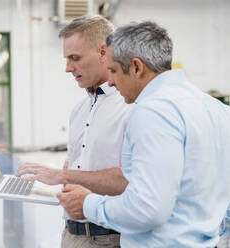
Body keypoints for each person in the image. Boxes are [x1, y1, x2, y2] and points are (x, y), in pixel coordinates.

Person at [57, 21, 230, 247]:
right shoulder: (217, 109)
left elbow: (148, 208)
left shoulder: (152, 112)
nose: (110, 82)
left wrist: (87, 204)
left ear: (137, 67)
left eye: (114, 71)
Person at [16, 15, 132, 247]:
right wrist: (52, 185)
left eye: (75, 58)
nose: (68, 68)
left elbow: (133, 180)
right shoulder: (80, 109)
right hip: (72, 233)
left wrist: (62, 175)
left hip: (108, 237)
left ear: (103, 52)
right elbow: (76, 166)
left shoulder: (130, 106)